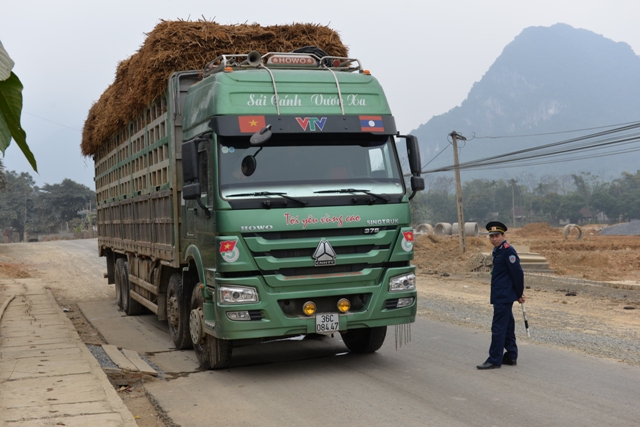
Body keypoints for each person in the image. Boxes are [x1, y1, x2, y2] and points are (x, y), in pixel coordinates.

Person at [477, 221, 526, 370]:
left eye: (497, 236)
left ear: (503, 235)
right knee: (508, 326)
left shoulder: (507, 251)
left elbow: (517, 274)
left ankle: (494, 359)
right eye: (491, 236)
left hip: (504, 296)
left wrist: (519, 294)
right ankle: (511, 355)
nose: (494, 239)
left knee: (498, 327)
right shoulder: (498, 250)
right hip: (501, 294)